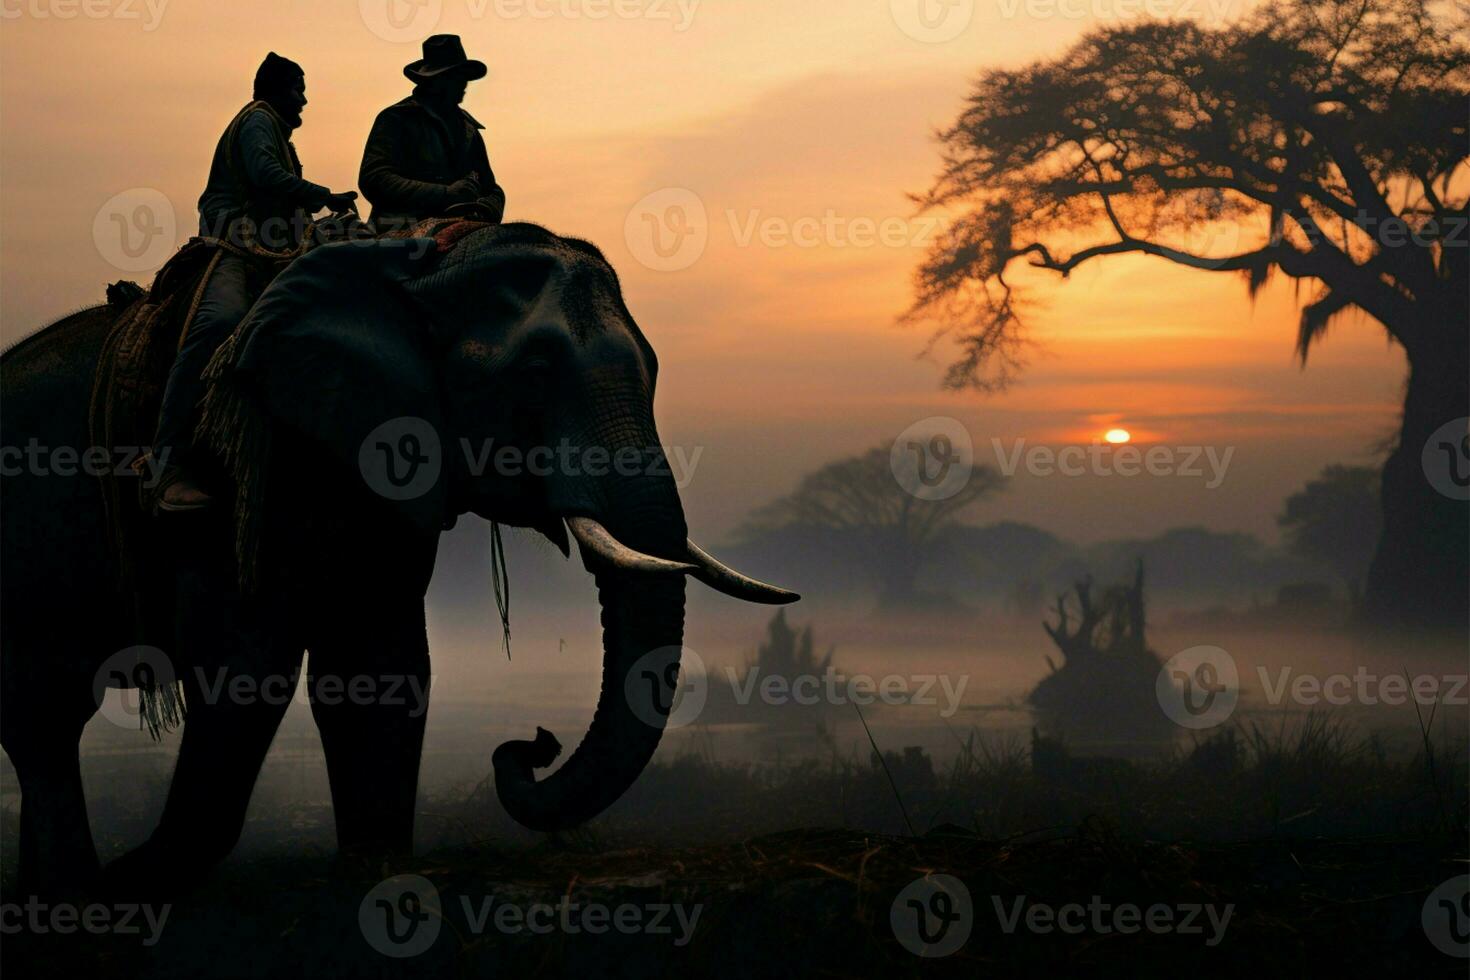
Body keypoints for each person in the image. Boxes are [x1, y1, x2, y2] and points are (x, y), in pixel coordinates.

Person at [153, 52, 357, 512]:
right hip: (236, 242)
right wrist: (326, 197)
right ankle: (167, 466)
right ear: (275, 91)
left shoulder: (278, 134)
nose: (304, 99)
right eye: (297, 88)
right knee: (218, 323)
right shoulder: (258, 123)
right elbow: (267, 177)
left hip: (276, 243)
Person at [359, 34, 506, 232]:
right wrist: (445, 194)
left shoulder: (468, 128)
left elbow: (490, 187)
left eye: (464, 77)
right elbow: (375, 179)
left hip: (462, 227)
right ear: (436, 81)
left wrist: (486, 209)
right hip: (402, 231)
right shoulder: (396, 118)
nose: (464, 84)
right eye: (456, 77)